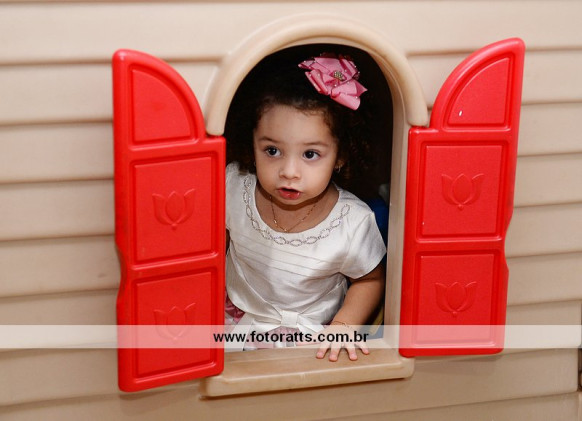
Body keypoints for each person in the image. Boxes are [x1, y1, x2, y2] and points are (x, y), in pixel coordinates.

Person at [224, 51, 386, 362]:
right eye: (272, 150)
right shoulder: (234, 185)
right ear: (252, 143)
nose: (289, 172)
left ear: (340, 156)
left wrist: (343, 327)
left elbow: (369, 279)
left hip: (311, 335)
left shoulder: (352, 222)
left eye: (310, 154)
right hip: (236, 318)